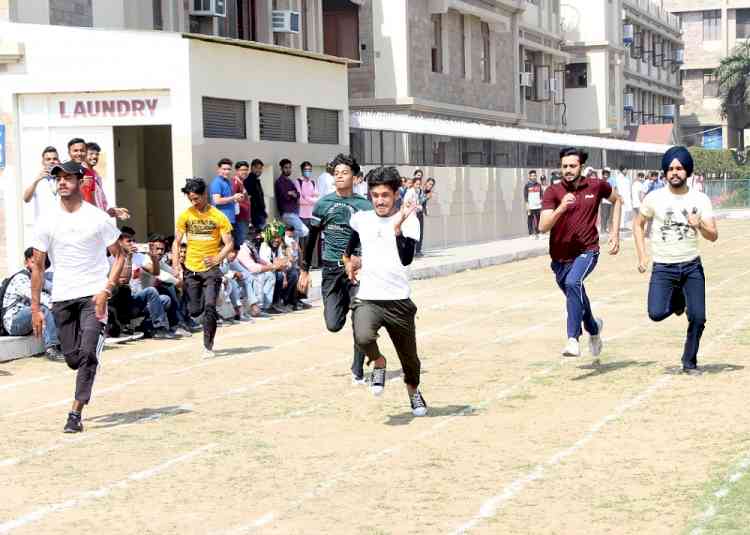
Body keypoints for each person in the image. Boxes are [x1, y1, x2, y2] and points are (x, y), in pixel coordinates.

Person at [30, 160, 125, 433]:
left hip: (93, 295)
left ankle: (75, 412)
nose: (62, 182)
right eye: (58, 177)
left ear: (81, 182)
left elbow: (119, 256)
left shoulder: (97, 217)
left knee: (87, 354)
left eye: (68, 177)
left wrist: (106, 290)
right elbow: (37, 265)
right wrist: (36, 308)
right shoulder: (47, 220)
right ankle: (85, 361)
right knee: (72, 358)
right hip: (62, 296)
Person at [344, 165, 427, 417]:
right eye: (375, 195)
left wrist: (398, 227)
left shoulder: (410, 220)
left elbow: (406, 259)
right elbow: (352, 243)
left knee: (410, 360)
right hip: (368, 297)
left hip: (398, 301)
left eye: (385, 195)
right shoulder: (361, 218)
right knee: (363, 337)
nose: (380, 200)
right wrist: (349, 260)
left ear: (396, 194)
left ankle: (414, 393)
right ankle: (378, 363)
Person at [634, 147, 718, 375]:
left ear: (687, 171)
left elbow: (713, 235)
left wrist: (698, 224)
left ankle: (689, 362)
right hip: (663, 267)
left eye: (679, 168)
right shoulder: (654, 198)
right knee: (656, 313)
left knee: (698, 317)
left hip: (691, 265)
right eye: (670, 168)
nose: (674, 172)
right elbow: (638, 224)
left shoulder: (700, 199)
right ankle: (679, 302)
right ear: (664, 172)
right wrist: (642, 254)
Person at [539, 147, 622, 360]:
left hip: (587, 251)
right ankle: (594, 330)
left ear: (581, 167)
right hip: (559, 259)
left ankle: (572, 339)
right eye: (564, 166)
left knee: (573, 283)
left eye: (572, 166)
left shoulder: (596, 186)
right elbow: (542, 226)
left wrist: (614, 232)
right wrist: (560, 208)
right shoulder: (553, 192)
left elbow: (617, 200)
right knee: (577, 298)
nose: (568, 170)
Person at [298, 153, 372, 385]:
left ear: (356, 177)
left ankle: (358, 368)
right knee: (333, 324)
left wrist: (363, 259)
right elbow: (311, 238)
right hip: (331, 270)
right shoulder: (323, 204)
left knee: (360, 321)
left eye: (345, 172)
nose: (340, 176)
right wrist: (304, 269)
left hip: (357, 272)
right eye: (336, 173)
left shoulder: (365, 206)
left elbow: (372, 238)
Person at [173, 178, 234, 359]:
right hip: (191, 268)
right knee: (194, 310)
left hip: (211, 269)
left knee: (209, 308)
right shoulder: (186, 215)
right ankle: (205, 305)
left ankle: (208, 346)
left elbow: (229, 244)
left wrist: (217, 257)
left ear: (204, 195)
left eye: (196, 199)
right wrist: (177, 265)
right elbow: (177, 242)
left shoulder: (218, 216)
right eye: (191, 199)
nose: (194, 202)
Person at [3, 247, 62, 361]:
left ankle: (67, 343)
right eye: (33, 262)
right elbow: (36, 297)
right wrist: (54, 304)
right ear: (26, 262)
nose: (37, 266)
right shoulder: (21, 278)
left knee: (61, 307)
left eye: (40, 264)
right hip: (13, 322)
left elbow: (55, 290)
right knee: (41, 309)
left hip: (28, 320)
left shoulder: (40, 278)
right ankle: (51, 348)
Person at [84, 142, 130, 220]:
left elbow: (100, 201)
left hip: (99, 218)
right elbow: (87, 201)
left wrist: (114, 211)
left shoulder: (96, 175)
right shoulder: (81, 174)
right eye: (91, 154)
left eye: (97, 154)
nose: (95, 156)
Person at [210, 158, 244, 250]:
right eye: (224, 169)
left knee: (232, 247)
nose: (227, 171)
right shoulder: (217, 182)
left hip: (230, 219)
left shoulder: (228, 182)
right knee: (223, 248)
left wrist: (237, 198)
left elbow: (229, 198)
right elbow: (217, 200)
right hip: (221, 220)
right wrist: (233, 198)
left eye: (229, 169)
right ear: (219, 169)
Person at [23, 146, 61, 223]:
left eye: (55, 159)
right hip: (43, 226)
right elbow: (26, 199)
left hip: (61, 225)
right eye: (48, 159)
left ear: (58, 161)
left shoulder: (64, 178)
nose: (52, 161)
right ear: (43, 162)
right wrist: (37, 180)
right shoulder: (36, 179)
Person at [275, 159, 308, 240]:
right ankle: (284, 234)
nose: (288, 169)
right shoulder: (279, 182)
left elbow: (298, 194)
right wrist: (292, 194)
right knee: (304, 231)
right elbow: (285, 196)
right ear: (282, 169)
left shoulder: (290, 182)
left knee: (293, 243)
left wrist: (293, 194)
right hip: (288, 213)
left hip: (294, 212)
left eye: (290, 167)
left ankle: (286, 235)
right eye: (286, 168)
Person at [232, 161, 252, 248]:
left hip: (244, 218)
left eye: (246, 170)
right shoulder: (235, 183)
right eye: (242, 170)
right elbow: (232, 198)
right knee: (240, 245)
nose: (245, 172)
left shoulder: (241, 183)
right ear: (237, 170)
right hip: (239, 219)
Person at [244, 159, 268, 230]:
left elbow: (259, 198)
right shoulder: (249, 181)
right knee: (262, 237)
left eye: (260, 168)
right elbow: (248, 199)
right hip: (255, 215)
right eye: (256, 168)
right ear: (252, 168)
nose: (259, 170)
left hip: (260, 214)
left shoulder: (256, 180)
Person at [523, 170, 543, 239]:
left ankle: (538, 233)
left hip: (538, 206)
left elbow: (541, 195)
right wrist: (527, 206)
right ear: (529, 177)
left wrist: (541, 202)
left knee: (538, 220)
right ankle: (531, 234)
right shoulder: (527, 185)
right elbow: (525, 197)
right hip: (530, 206)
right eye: (532, 176)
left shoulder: (539, 185)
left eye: (535, 175)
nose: (534, 177)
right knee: (530, 220)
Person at [614, 165, 632, 230]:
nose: (626, 171)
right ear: (621, 170)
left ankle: (624, 225)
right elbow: (618, 188)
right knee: (622, 211)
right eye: (625, 169)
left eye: (627, 169)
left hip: (627, 197)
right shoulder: (618, 178)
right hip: (621, 197)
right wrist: (620, 197)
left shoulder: (627, 178)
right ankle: (620, 226)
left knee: (626, 212)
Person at [599, 168, 615, 233]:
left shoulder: (612, 181)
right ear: (603, 174)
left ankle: (609, 229)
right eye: (605, 174)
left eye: (607, 174)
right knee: (604, 215)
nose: (606, 175)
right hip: (604, 201)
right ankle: (603, 229)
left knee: (610, 216)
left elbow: (614, 189)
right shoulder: (601, 181)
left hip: (611, 201)